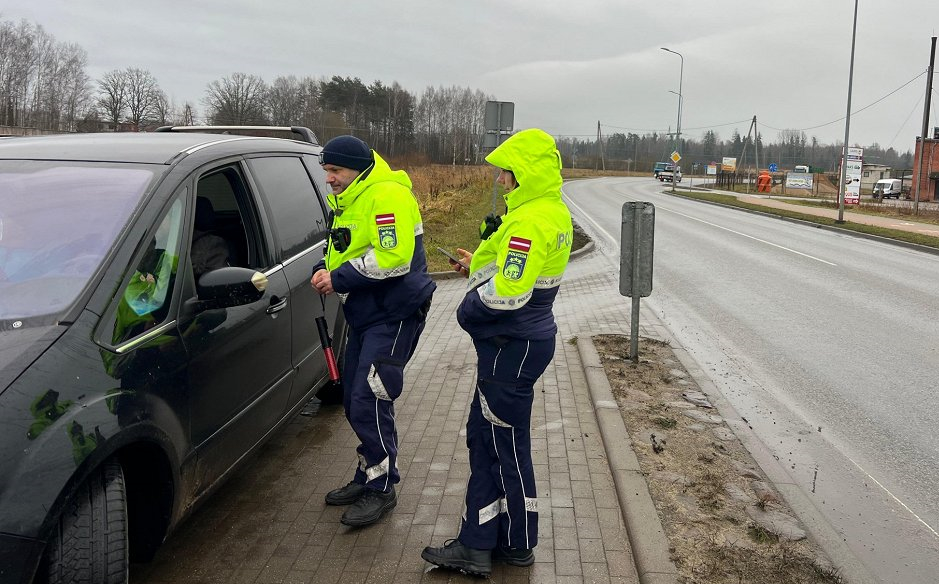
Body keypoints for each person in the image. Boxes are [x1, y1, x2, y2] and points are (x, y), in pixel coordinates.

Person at [421, 128, 573, 576]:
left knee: (504, 445)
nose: (500, 180)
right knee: (487, 440)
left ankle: (513, 543)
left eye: (504, 173)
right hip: (520, 344)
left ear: (521, 173)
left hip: (511, 345)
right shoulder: (548, 212)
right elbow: (516, 268)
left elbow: (509, 293)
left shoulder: (529, 220)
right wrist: (477, 264)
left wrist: (468, 306)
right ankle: (485, 539)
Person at [310, 135, 435, 527]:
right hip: (366, 312)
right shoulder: (351, 196)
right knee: (353, 397)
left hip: (394, 312)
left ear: (357, 168)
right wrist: (323, 266)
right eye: (326, 170)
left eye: (336, 170)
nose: (329, 178)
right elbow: (346, 246)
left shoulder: (387, 196)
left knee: (370, 397)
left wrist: (339, 278)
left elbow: (394, 259)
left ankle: (382, 488)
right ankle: (368, 474)